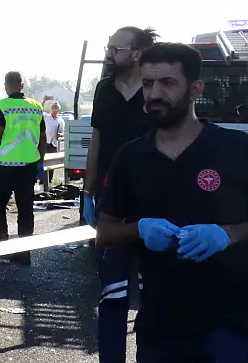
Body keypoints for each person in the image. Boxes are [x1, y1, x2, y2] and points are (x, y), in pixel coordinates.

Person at [97, 43, 248, 362]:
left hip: (228, 323)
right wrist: (140, 229)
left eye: (167, 83)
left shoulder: (238, 148)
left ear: (195, 89)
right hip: (160, 325)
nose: (154, 93)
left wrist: (229, 234)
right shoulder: (131, 158)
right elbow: (105, 231)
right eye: (148, 83)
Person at [84, 26, 158, 363]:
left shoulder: (156, 88)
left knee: (153, 294)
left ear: (138, 52)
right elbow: (96, 140)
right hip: (111, 202)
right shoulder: (104, 89)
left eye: (116, 48)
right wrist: (88, 190)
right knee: (112, 293)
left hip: (153, 199)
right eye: (109, 47)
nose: (110, 53)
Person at [0, 71, 46, 265]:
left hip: (5, 166)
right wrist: (39, 160)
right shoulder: (36, 107)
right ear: (22, 85)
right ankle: (24, 251)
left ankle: (3, 245)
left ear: (6, 85)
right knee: (25, 209)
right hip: (28, 166)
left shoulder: (3, 107)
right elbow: (43, 138)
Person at [41, 101, 65, 186]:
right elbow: (40, 110)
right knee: (43, 162)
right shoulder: (47, 117)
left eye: (56, 107)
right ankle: (41, 181)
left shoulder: (60, 120)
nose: (54, 109)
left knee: (51, 165)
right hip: (45, 143)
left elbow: (62, 132)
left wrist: (60, 134)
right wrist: (44, 101)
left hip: (54, 144)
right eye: (53, 107)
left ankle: (49, 181)